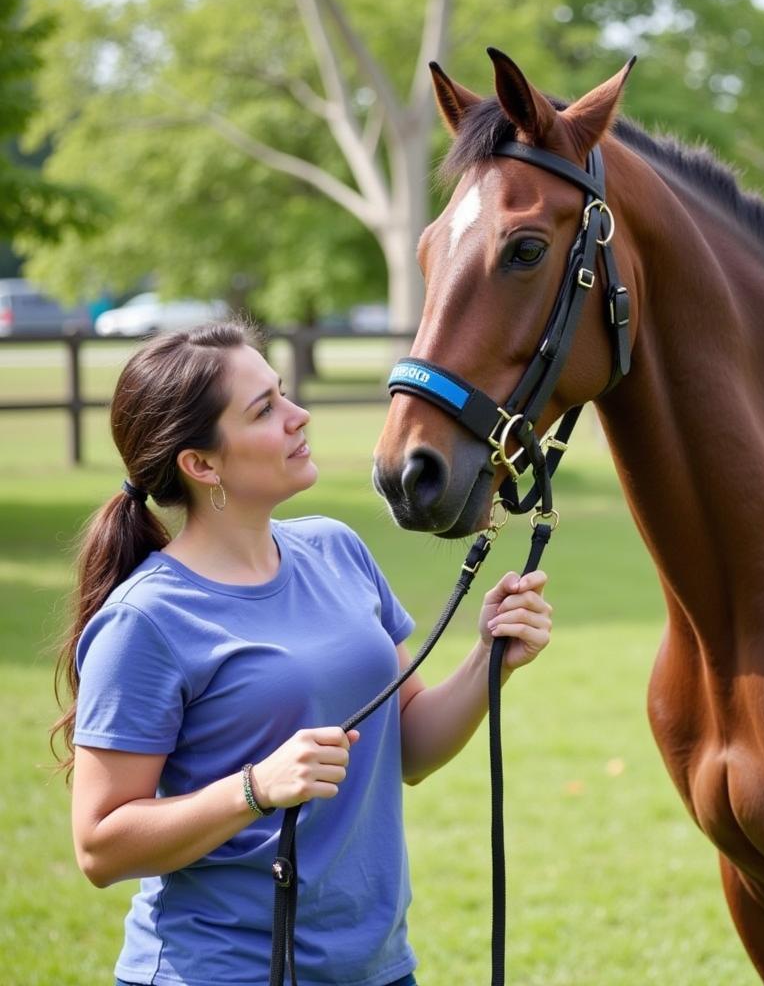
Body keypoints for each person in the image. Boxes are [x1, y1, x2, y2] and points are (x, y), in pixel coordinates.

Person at [50, 321, 554, 986]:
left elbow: (411, 746)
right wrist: (253, 790)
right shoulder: (147, 620)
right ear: (202, 465)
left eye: (283, 393)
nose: (299, 416)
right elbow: (99, 846)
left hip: (376, 968)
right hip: (221, 973)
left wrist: (489, 658)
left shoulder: (336, 548)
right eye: (265, 409)